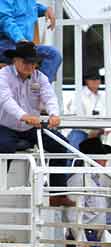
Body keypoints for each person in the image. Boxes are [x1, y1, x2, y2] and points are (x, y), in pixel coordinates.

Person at [0, 41, 72, 206]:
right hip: (5, 125)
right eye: (26, 62)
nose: (30, 66)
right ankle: (2, 187)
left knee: (62, 146)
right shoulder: (3, 75)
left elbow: (49, 97)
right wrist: (24, 115)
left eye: (33, 62)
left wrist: (54, 113)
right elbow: (5, 100)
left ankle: (57, 193)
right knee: (4, 146)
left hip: (31, 126)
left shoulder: (40, 77)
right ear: (15, 61)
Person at [0, 1, 61, 82]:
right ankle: (34, 89)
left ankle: (39, 90)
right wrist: (20, 39)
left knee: (53, 54)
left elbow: (31, 7)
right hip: (5, 44)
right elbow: (5, 19)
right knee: (27, 57)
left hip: (25, 46)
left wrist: (45, 9)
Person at [66, 69, 106, 149]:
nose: (95, 81)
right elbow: (75, 117)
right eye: (92, 79)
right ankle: (71, 161)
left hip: (101, 132)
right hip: (82, 131)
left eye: (97, 79)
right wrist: (90, 131)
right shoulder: (79, 95)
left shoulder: (104, 97)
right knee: (74, 144)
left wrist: (100, 130)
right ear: (86, 81)